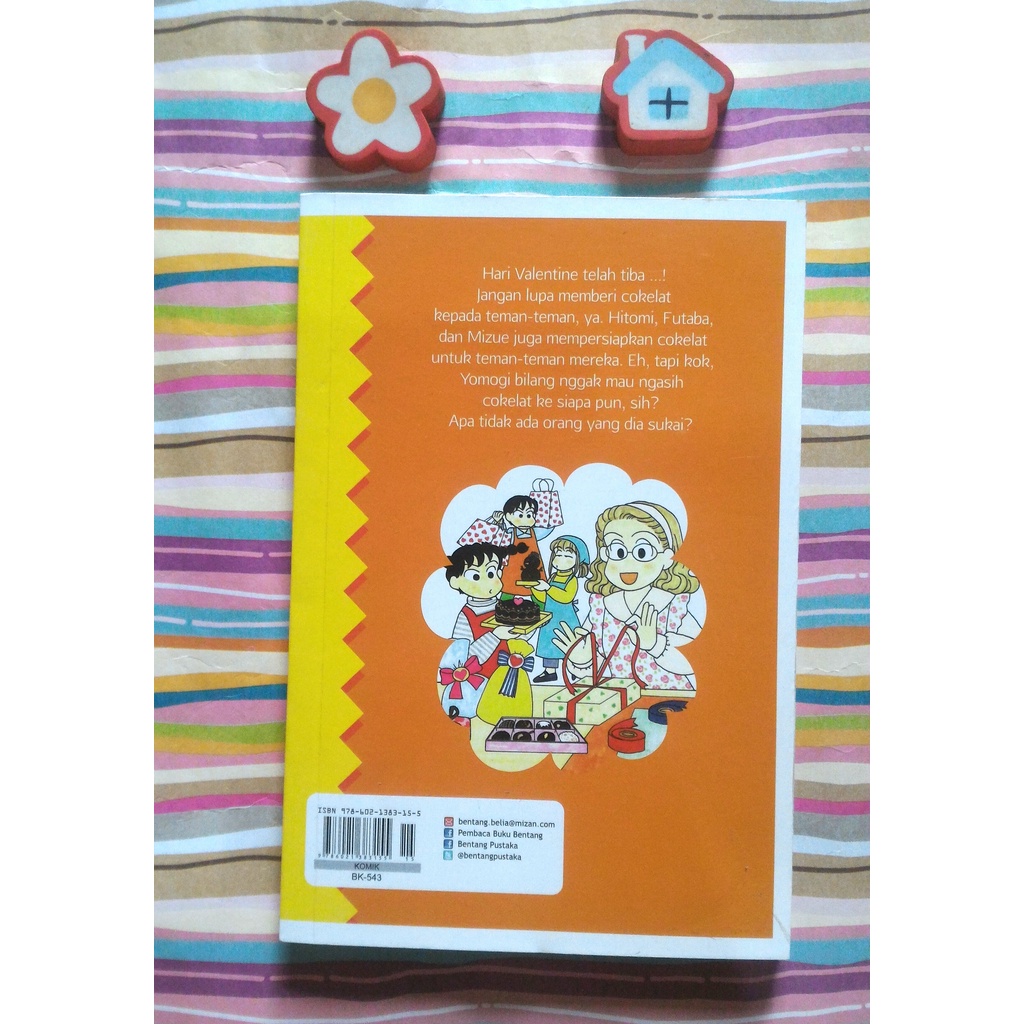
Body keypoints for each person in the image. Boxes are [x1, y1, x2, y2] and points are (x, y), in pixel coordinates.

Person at [551, 501, 703, 693]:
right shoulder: (600, 608)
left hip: (668, 698)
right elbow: (601, 671)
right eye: (618, 552)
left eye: (642, 552)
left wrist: (655, 645)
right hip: (619, 700)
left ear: (667, 557)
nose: (628, 563)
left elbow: (698, 663)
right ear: (605, 554)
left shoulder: (675, 606)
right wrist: (583, 661)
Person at [444, 540, 526, 677]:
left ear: (499, 573)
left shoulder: (506, 609)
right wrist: (495, 636)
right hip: (480, 679)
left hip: (510, 673)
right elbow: (463, 658)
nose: (487, 582)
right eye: (475, 576)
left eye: (491, 574)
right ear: (455, 581)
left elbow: (520, 639)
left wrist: (529, 628)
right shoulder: (466, 616)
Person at [531, 535, 590, 683]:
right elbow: (545, 599)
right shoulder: (552, 577)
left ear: (578, 561)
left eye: (567, 556)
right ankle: (550, 672)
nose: (561, 559)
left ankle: (574, 668)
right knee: (549, 643)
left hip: (566, 619)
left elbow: (566, 597)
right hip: (550, 619)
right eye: (558, 555)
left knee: (569, 643)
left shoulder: (572, 580)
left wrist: (548, 588)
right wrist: (535, 589)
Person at [487, 495, 553, 599]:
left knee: (538, 590)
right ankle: (502, 605)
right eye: (520, 515)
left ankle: (542, 606)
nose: (525, 520)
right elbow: (496, 536)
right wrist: (497, 521)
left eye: (529, 515)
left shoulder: (536, 532)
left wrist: (547, 500)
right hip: (513, 568)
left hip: (534, 567)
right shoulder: (510, 533)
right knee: (508, 589)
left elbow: (549, 526)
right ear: (508, 516)